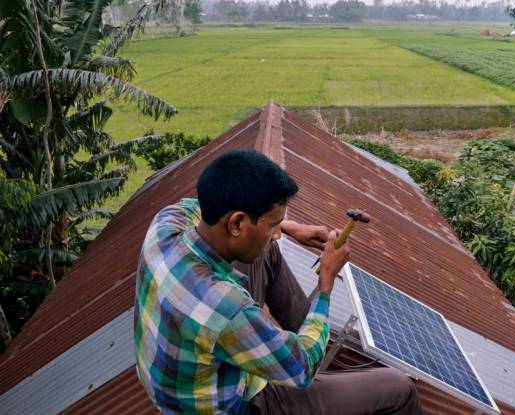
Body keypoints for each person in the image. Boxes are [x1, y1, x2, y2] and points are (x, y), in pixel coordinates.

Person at [134, 150, 420, 415]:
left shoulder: (166, 225)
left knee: (265, 251)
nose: (276, 234)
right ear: (236, 224)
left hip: (175, 382)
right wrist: (325, 283)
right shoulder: (228, 307)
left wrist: (288, 226)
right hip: (234, 403)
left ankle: (303, 345)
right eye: (272, 225)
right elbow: (302, 369)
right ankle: (303, 351)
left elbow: (203, 206)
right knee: (400, 388)